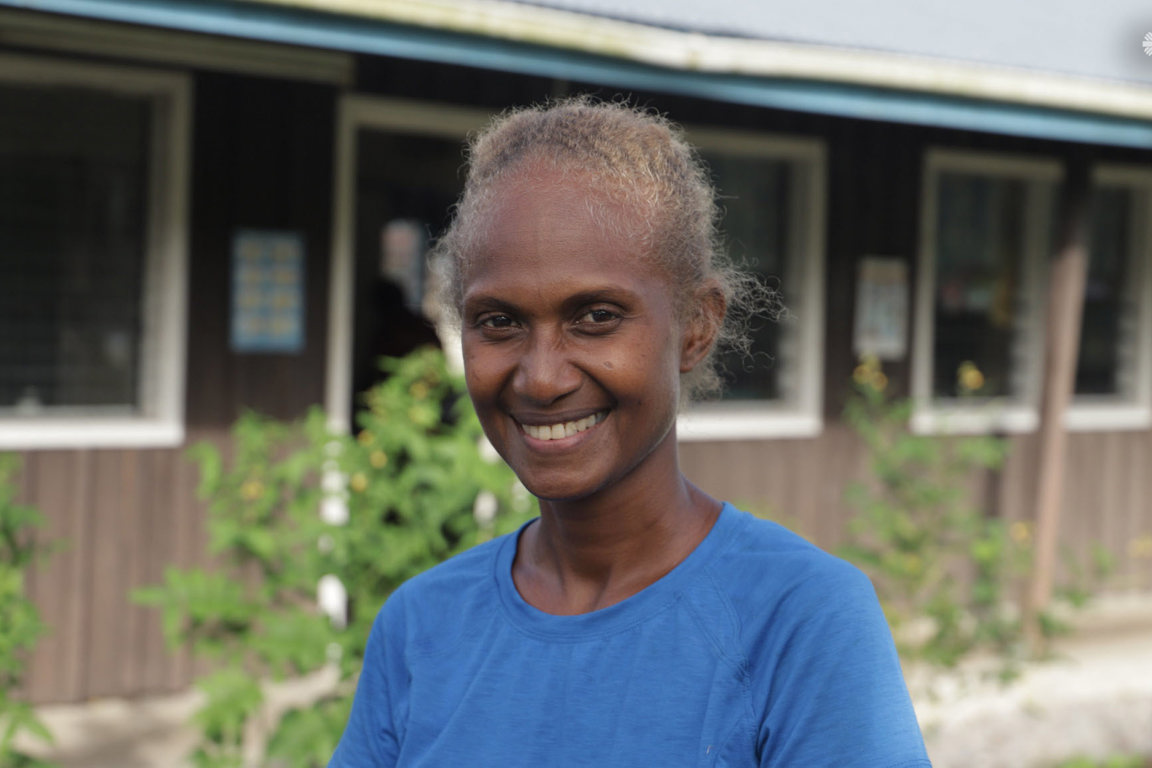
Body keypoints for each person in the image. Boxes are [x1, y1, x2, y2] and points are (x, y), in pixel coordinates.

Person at [329, 98, 931, 767]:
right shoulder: (420, 627)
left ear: (696, 326)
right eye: (499, 322)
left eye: (595, 316)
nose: (541, 378)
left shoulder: (799, 621)